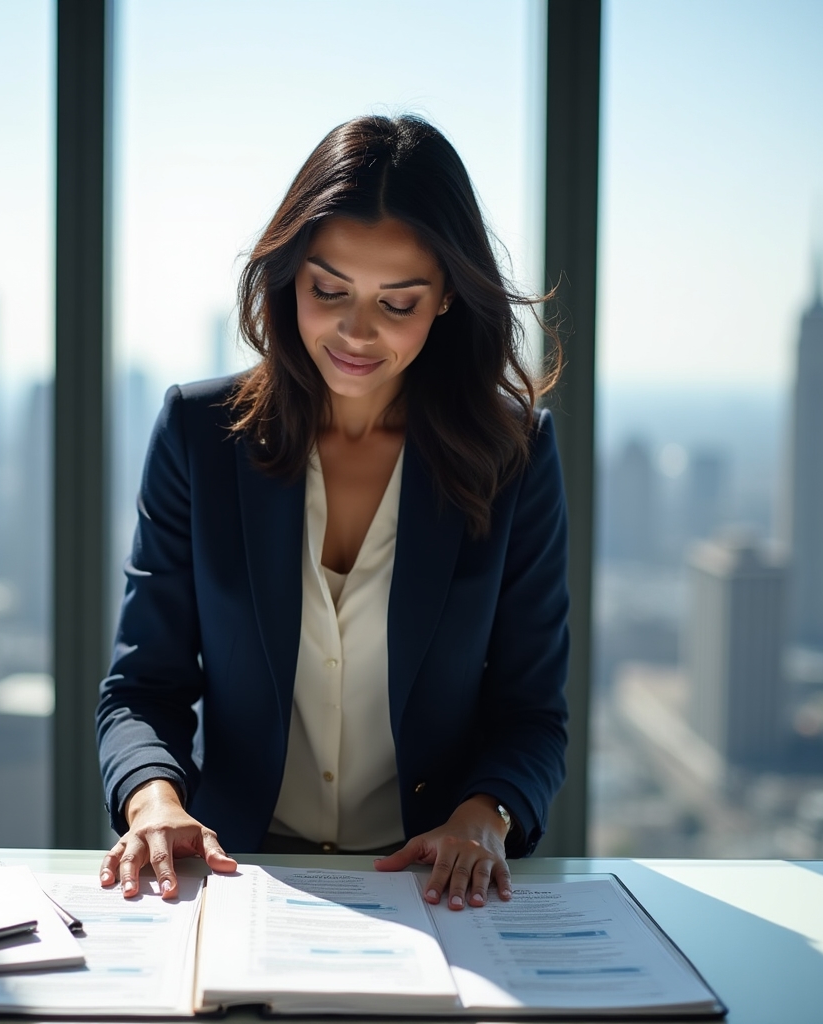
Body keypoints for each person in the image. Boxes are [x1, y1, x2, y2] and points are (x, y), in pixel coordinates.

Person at [96, 114, 569, 912]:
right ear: (289, 278)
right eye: (329, 291)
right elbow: (142, 687)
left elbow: (531, 714)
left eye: (399, 302)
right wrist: (155, 802)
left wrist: (482, 818)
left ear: (448, 296)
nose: (357, 332)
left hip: (433, 888)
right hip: (236, 878)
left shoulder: (513, 454)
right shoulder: (198, 435)